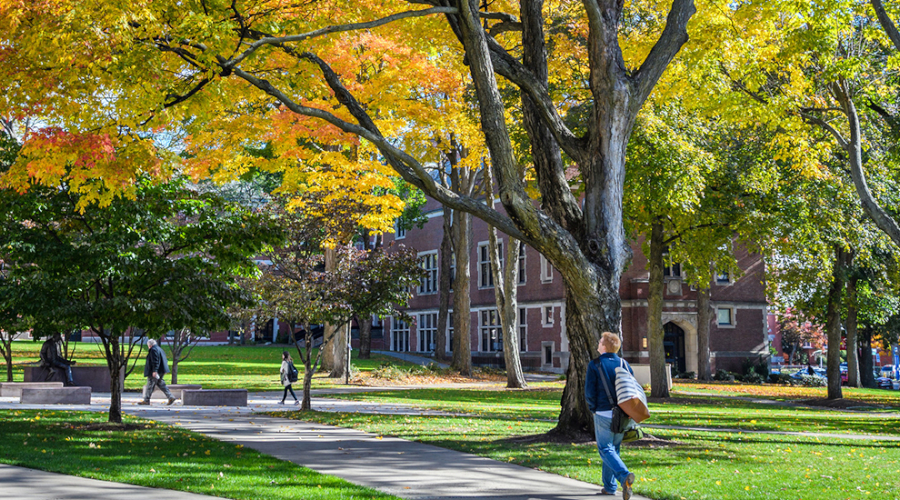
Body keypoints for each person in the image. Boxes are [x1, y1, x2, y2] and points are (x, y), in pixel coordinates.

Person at [585, 331, 636, 499]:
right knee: (613, 449)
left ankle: (624, 477)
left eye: (600, 342)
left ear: (605, 346)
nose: (598, 344)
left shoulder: (595, 364)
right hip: (622, 414)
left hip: (603, 412)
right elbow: (631, 389)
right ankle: (609, 487)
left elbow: (589, 392)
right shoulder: (624, 363)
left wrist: (593, 408)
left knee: (605, 448)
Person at [138, 339, 176, 406]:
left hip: (156, 371)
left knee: (150, 384)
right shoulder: (159, 349)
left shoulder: (153, 350)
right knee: (161, 384)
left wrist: (155, 371)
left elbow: (155, 361)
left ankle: (146, 400)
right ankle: (170, 397)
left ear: (150, 345)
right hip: (161, 370)